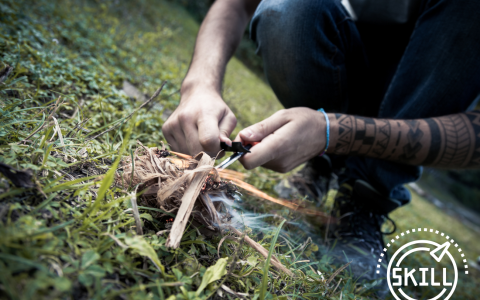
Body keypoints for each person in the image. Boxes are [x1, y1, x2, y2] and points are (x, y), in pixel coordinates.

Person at [162, 0, 480, 293]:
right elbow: (237, 4)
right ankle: (325, 162)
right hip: (350, 53)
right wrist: (199, 86)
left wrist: (331, 132)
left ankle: (369, 193)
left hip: (432, 82)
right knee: (288, 11)